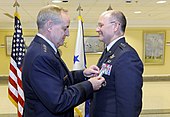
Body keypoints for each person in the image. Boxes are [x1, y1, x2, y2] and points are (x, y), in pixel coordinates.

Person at [22, 5, 105, 117]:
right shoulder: (41, 56)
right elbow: (59, 102)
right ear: (50, 25)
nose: (68, 33)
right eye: (64, 28)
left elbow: (58, 79)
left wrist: (83, 74)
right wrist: (89, 85)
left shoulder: (44, 49)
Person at [89, 10, 144, 117]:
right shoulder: (110, 52)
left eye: (101, 25)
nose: (97, 29)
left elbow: (129, 104)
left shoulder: (127, 56)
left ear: (115, 26)